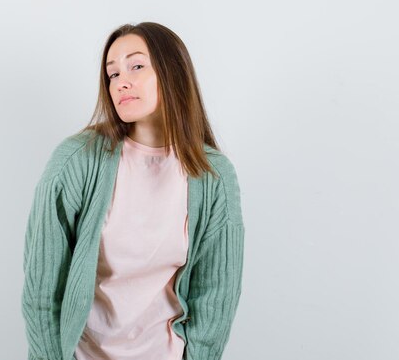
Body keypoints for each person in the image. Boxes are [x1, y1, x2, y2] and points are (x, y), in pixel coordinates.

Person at [21, 22, 245, 360]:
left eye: (136, 66)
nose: (121, 81)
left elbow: (214, 299)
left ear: (172, 74)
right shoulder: (76, 162)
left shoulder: (213, 176)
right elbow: (42, 289)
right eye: (112, 74)